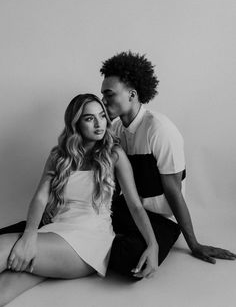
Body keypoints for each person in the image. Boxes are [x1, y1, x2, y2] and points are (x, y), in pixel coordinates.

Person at [0, 94, 159, 306]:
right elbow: (40, 198)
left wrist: (153, 244)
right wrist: (30, 234)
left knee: (3, 246)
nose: (99, 123)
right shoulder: (59, 156)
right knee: (4, 289)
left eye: (102, 116)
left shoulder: (114, 154)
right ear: (75, 123)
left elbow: (135, 206)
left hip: (89, 241)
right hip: (55, 232)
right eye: (89, 118)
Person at [100, 51, 235, 277]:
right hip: (132, 210)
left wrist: (194, 244)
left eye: (109, 94)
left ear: (132, 95)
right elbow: (114, 183)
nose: (103, 100)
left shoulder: (159, 129)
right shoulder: (115, 129)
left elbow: (173, 191)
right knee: (76, 214)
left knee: (134, 265)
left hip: (161, 220)